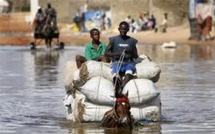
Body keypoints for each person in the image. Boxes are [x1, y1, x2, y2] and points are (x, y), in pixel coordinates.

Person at [105, 21, 138, 97]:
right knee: (115, 76)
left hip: (128, 63)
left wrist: (129, 52)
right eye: (122, 29)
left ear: (128, 30)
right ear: (119, 29)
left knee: (129, 73)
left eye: (125, 29)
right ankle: (116, 88)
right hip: (117, 62)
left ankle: (122, 87)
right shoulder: (113, 40)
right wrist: (118, 54)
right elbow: (106, 53)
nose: (123, 31)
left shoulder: (132, 41)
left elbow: (136, 56)